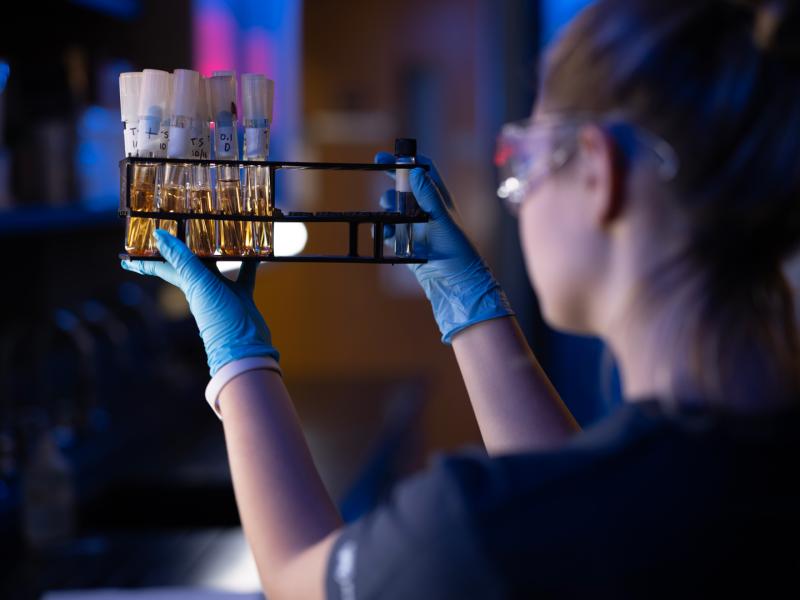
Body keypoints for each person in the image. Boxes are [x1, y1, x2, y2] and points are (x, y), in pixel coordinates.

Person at [122, 0, 800, 597]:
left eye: (524, 161)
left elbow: (298, 580)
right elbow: (566, 501)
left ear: (596, 172)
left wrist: (237, 359)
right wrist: (474, 311)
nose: (518, 197)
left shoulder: (469, 529)